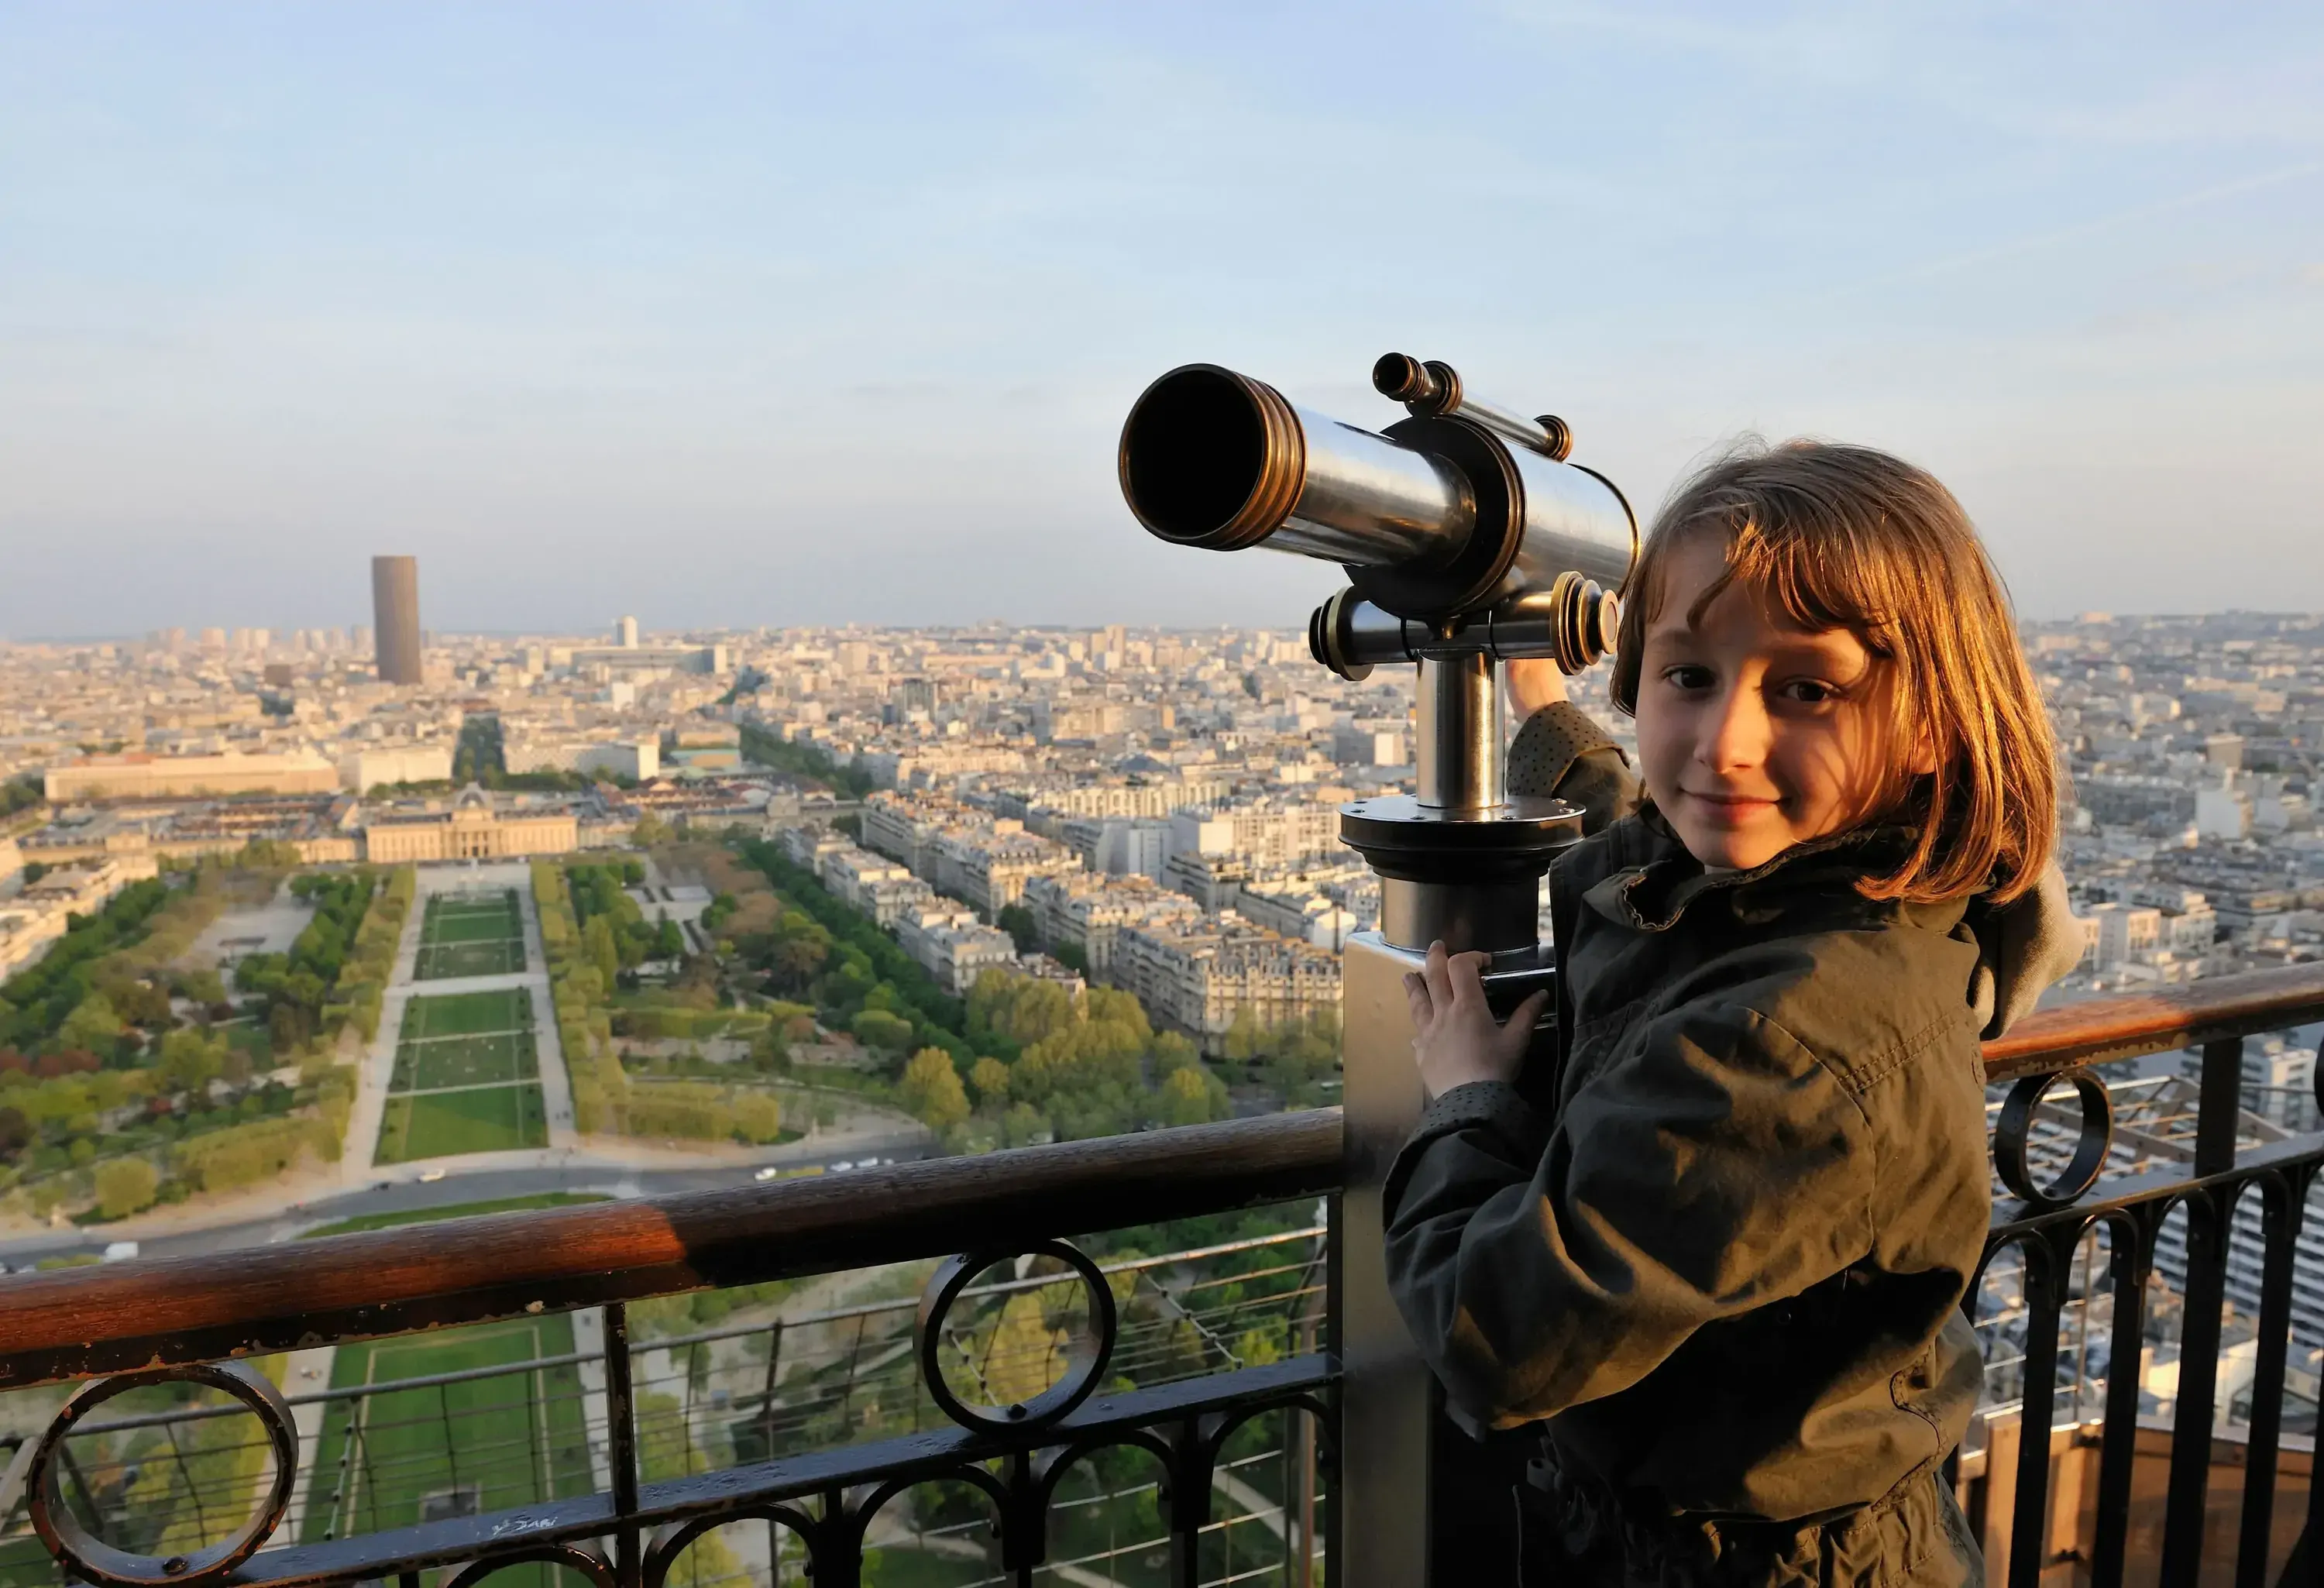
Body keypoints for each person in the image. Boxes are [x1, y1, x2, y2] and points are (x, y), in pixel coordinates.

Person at [1384, 440, 2083, 1586]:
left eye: (1806, 689)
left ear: (1932, 725)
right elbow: (1667, 837)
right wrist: (1543, 711)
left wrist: (1465, 1103)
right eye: (1688, 675)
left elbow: (1497, 1336)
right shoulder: (1860, 901)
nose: (1723, 743)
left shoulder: (1793, 1041)